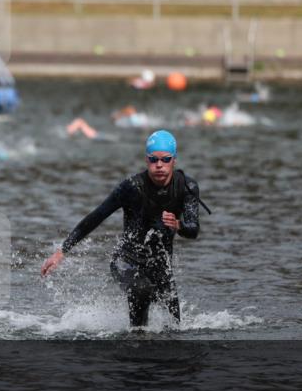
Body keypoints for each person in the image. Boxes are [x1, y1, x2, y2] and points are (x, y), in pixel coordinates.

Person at [40, 130, 203, 329]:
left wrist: (179, 225)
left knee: (175, 326)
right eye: (153, 160)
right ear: (147, 160)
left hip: (160, 265)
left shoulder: (187, 187)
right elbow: (97, 216)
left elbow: (193, 229)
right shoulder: (132, 187)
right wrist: (62, 251)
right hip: (126, 261)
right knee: (141, 290)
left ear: (174, 160)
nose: (159, 165)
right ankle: (135, 344)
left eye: (165, 159)